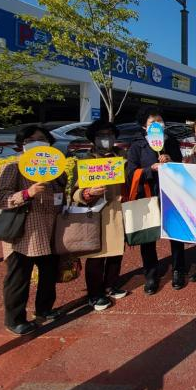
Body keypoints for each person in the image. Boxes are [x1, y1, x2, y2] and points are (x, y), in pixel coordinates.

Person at [0, 125, 66, 335]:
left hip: (51, 229)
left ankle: (44, 309)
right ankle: (14, 319)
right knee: (19, 277)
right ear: (21, 145)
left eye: (41, 139)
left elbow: (62, 196)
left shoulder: (57, 170)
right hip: (24, 232)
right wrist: (27, 193)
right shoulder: (13, 167)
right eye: (30, 140)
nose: (36, 143)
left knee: (49, 274)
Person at [125, 106, 185, 295]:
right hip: (148, 195)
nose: (157, 124)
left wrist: (171, 161)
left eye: (160, 121)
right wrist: (151, 169)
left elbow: (181, 168)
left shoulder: (171, 142)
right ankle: (151, 274)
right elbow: (130, 173)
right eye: (152, 122)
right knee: (148, 238)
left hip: (171, 195)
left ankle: (178, 270)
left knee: (176, 235)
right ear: (144, 126)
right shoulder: (137, 146)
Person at [70, 120, 128, 311]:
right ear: (93, 139)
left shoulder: (122, 157)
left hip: (118, 211)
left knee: (116, 252)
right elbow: (74, 192)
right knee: (96, 255)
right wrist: (87, 193)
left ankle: (111, 285)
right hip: (95, 214)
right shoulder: (86, 161)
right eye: (102, 135)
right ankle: (94, 294)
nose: (106, 138)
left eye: (110, 135)